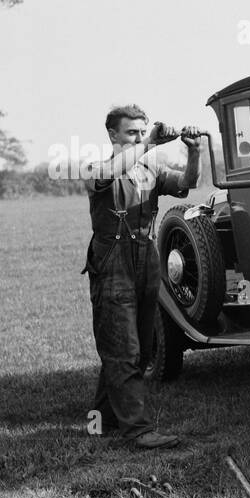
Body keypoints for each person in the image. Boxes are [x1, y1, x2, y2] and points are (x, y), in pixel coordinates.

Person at [82, 104, 201, 447]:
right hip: (111, 262)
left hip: (146, 258)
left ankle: (100, 422)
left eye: (140, 130)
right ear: (112, 135)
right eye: (130, 132)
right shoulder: (94, 166)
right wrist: (148, 142)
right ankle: (138, 429)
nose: (137, 137)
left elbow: (187, 184)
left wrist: (194, 152)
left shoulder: (151, 166)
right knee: (124, 348)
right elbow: (108, 174)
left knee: (140, 346)